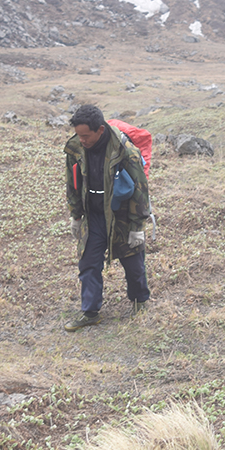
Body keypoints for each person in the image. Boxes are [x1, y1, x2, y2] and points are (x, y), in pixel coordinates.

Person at [63, 104, 151, 331]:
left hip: (121, 214)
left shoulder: (125, 151)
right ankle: (90, 311)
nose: (81, 140)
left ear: (100, 130)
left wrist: (137, 226)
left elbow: (140, 189)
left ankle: (140, 301)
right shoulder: (75, 148)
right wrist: (75, 215)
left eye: (85, 135)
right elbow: (73, 183)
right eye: (78, 135)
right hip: (93, 215)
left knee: (132, 261)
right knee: (88, 262)